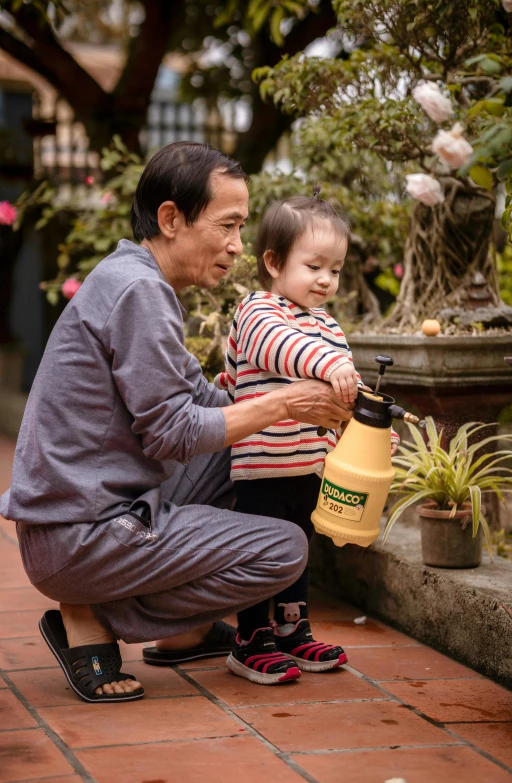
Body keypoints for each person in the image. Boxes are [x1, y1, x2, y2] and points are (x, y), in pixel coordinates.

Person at [0, 144, 352, 703]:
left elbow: (201, 401)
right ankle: (89, 614)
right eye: (228, 225)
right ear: (171, 219)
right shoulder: (138, 290)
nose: (239, 245)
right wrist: (285, 405)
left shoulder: (136, 279)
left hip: (92, 515)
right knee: (284, 548)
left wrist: (280, 395)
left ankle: (182, 631)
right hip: (81, 534)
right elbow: (176, 433)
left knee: (265, 463)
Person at [216, 189, 399, 685]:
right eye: (315, 265)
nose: (326, 280)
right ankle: (250, 636)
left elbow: (345, 396)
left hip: (307, 463)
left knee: (298, 546)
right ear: (274, 262)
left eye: (335, 270)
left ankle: (292, 630)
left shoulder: (330, 329)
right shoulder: (258, 312)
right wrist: (334, 367)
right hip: (260, 464)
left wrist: (370, 435)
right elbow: (284, 350)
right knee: (261, 549)